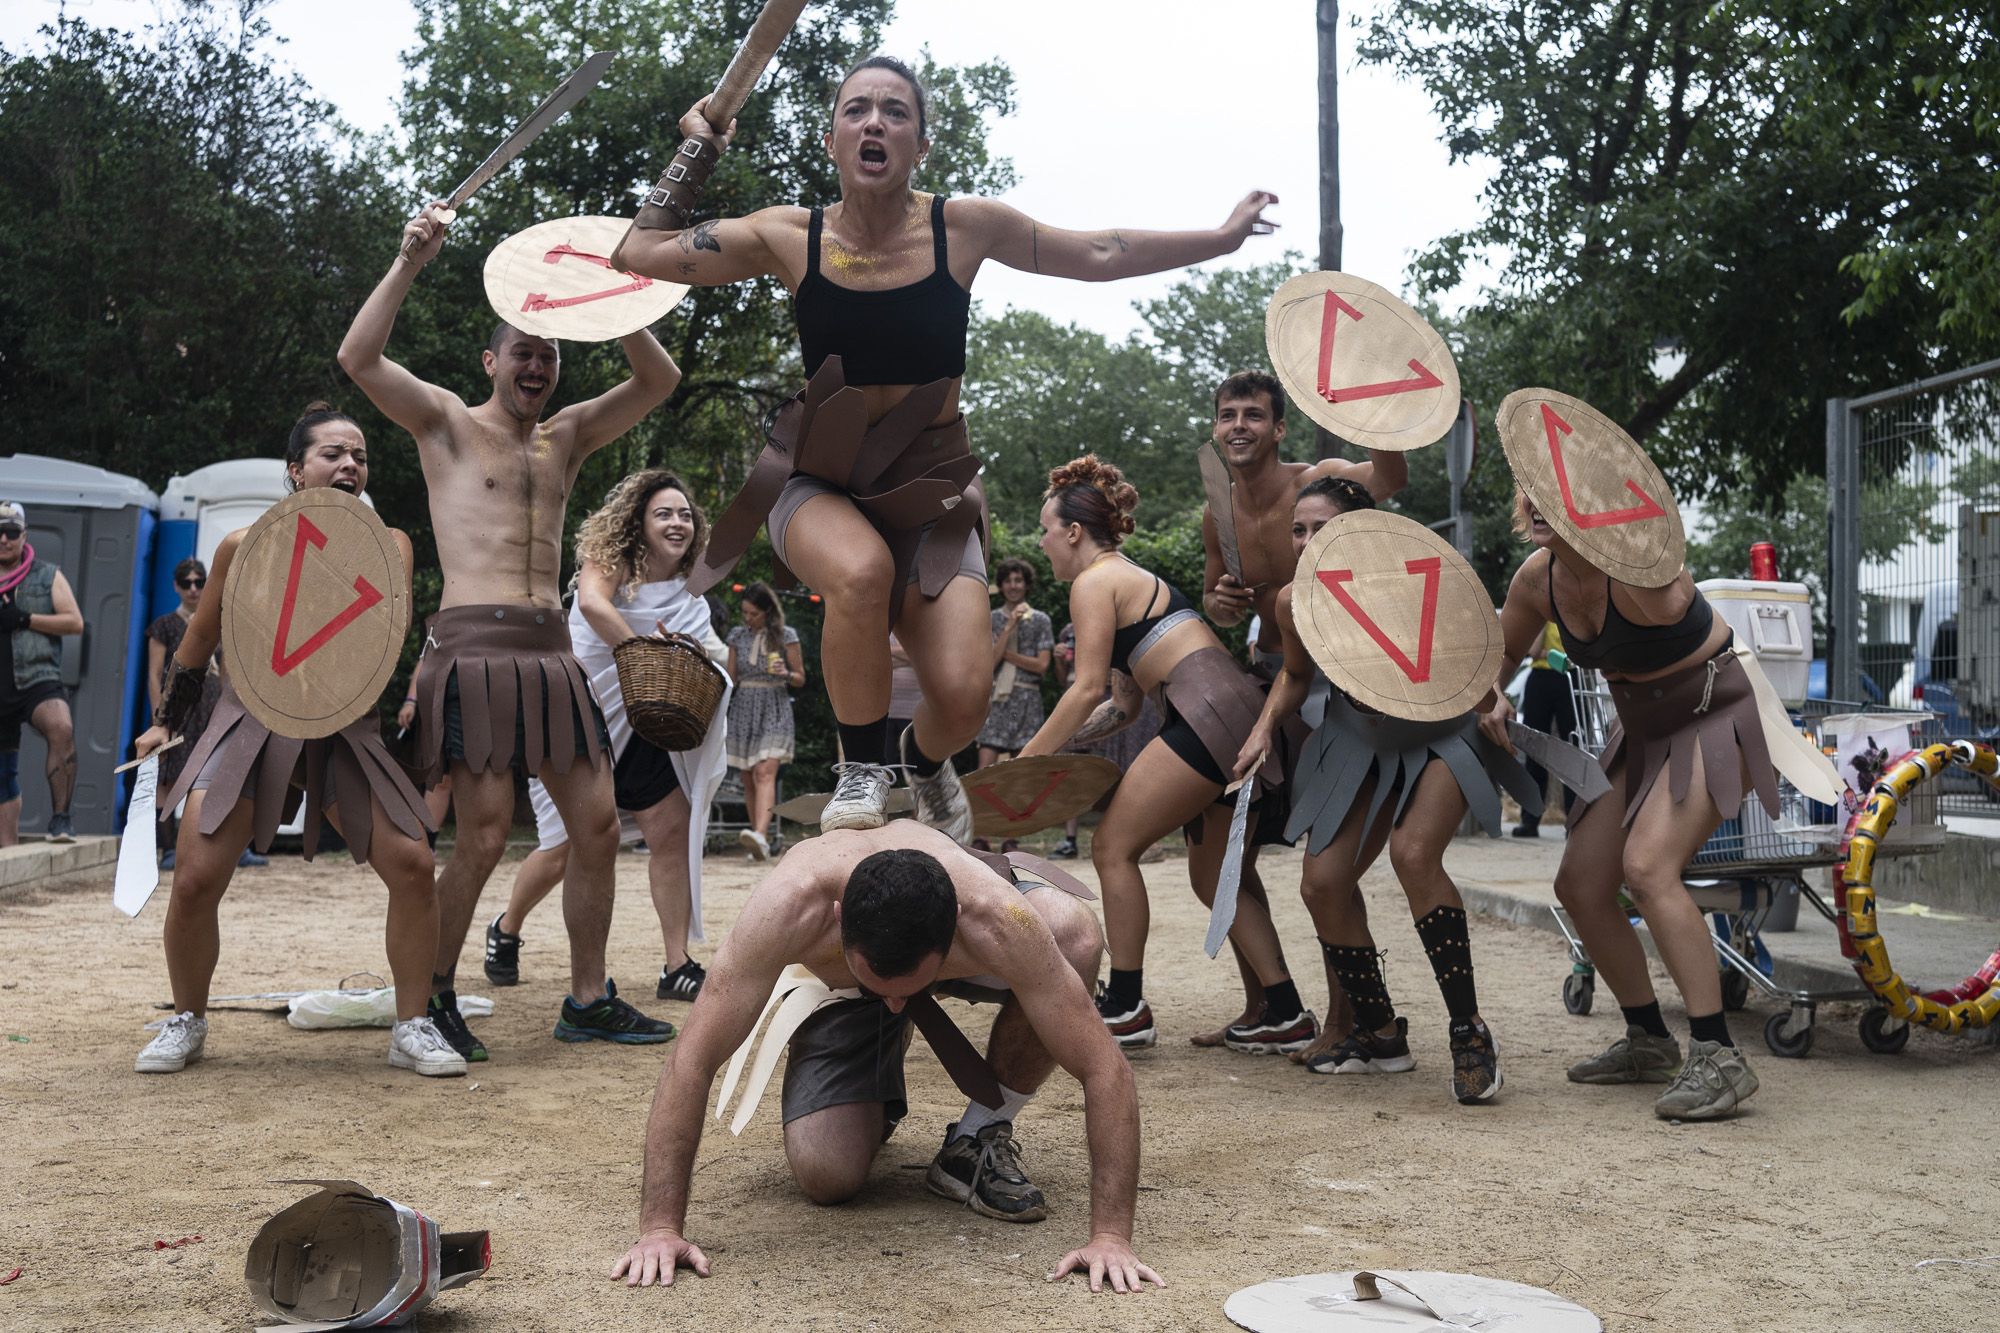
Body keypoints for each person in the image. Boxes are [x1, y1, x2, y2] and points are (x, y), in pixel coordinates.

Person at [612, 54, 1280, 838]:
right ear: (832, 139)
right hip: (820, 480)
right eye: (857, 109)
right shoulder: (787, 236)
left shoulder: (964, 228)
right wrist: (697, 147)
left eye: (895, 112)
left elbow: (1102, 252)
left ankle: (920, 764)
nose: (874, 122)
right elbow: (638, 254)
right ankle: (861, 769)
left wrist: (1222, 239)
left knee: (964, 698)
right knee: (858, 572)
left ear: (921, 145)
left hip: (932, 490)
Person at [338, 207, 683, 1062]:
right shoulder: (449, 423)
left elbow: (657, 381)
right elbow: (359, 359)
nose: (537, 364)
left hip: (552, 651)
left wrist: (609, 296)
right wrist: (409, 259)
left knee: (597, 824)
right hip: (475, 648)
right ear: (492, 361)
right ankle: (438, 991)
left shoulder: (565, 437)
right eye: (522, 350)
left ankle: (589, 996)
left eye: (550, 352)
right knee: (484, 834)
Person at [610, 823, 1163, 1296]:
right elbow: (693, 1060)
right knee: (828, 1175)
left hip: (954, 952)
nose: (898, 1002)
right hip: (837, 988)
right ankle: (868, 1073)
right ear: (836, 920)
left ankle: (977, 1137)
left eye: (908, 990)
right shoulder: (791, 906)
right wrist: (660, 1227)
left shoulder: (992, 916)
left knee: (1073, 932)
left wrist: (1110, 1237)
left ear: (955, 930)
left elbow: (1102, 1066)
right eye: (884, 988)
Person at [127, 406, 460, 1078]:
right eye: (333, 453)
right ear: (296, 469)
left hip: (342, 726)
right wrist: (168, 718)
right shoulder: (240, 545)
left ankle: (413, 1023)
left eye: (360, 456)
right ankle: (187, 1018)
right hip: (250, 720)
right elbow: (198, 643)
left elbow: (372, 638)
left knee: (414, 865)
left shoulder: (390, 544)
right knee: (192, 876)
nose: (350, 466)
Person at [1485, 489, 1830, 1119]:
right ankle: (1649, 1040)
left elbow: (1671, 586)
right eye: (1528, 491)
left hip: (1715, 709)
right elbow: (1504, 652)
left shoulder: (1637, 567)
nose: (1536, 504)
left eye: (1555, 493)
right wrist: (1496, 695)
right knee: (1582, 884)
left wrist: (1627, 541)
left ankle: (1720, 1057)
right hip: (1641, 726)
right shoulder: (1538, 578)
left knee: (1648, 867)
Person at [1235, 477, 1537, 1103]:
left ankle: (1469, 1032)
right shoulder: (1293, 601)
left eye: (1324, 528)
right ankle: (1378, 1035)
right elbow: (1295, 673)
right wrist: (1263, 730)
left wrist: (1495, 700)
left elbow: (1474, 656)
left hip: (1441, 735)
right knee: (1322, 884)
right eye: (1300, 529)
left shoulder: (1413, 577)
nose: (1309, 541)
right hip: (1358, 740)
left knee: (1413, 855)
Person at [1016, 457, 1312, 1054]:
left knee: (1112, 846)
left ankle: (1126, 1007)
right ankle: (1285, 1013)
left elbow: (1085, 687)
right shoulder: (1124, 577)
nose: (1042, 542)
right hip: (1231, 714)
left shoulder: (1094, 581)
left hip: (1206, 719)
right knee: (1213, 880)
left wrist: (1024, 761)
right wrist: (1066, 744)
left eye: (1045, 529)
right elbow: (1121, 705)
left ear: (1073, 532)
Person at [1197, 369, 1410, 1054]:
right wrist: (1221, 604)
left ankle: (1352, 1018)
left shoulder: (1318, 479)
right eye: (1227, 414)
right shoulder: (1218, 511)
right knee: (1232, 855)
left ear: (1279, 426)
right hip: (1278, 678)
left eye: (1253, 414)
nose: (1238, 425)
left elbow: (1392, 475)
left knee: (1329, 872)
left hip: (1345, 689)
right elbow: (1214, 600)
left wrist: (1370, 393)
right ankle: (1269, 1004)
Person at [483, 472, 733, 1005]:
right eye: (664, 513)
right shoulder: (614, 563)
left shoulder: (692, 588)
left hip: (649, 716)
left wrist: (693, 657)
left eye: (685, 514)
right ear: (639, 523)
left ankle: (677, 965)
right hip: (584, 714)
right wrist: (646, 652)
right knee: (564, 848)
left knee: (671, 829)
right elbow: (594, 606)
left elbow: (715, 655)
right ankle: (506, 927)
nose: (677, 523)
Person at [0, 501, 83, 845]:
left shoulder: (47, 574)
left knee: (61, 726)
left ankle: (61, 819)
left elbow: (74, 623)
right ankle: (8, 853)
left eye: (12, 532)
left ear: (25, 535)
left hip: (35, 676)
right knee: (4, 775)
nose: (4, 539)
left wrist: (25, 619)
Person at [1047, 620, 1161, 861]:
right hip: (1092, 708)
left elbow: (1096, 687)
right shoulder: (1068, 631)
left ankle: (1145, 840)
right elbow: (1069, 680)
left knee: (1131, 766)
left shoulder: (1124, 625)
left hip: (1120, 705)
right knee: (1088, 771)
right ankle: (1075, 840)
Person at [724, 582, 802, 859]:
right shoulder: (736, 636)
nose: (748, 618)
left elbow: (800, 678)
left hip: (774, 705)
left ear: (767, 611)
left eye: (753, 613)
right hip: (744, 708)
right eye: (745, 612)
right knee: (747, 778)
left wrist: (785, 673)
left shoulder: (785, 635)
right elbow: (730, 678)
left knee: (764, 772)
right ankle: (762, 839)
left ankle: (758, 833)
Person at [976, 558, 1053, 770]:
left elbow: (1041, 665)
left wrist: (1005, 653)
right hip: (997, 700)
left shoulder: (1041, 620)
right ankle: (979, 804)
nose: (1013, 585)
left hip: (1027, 700)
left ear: (1027, 585)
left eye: (1018, 580)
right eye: (1008, 581)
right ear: (1001, 585)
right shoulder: (990, 619)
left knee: (1022, 769)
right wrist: (1009, 626)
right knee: (985, 768)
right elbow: (989, 663)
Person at [1514, 621, 1577, 837]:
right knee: (1535, 750)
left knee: (1573, 749)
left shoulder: (1571, 613)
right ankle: (1530, 819)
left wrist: (1547, 653)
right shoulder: (1541, 614)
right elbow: (1533, 651)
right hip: (1541, 679)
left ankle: (1575, 819)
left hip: (1569, 679)